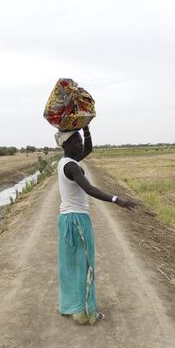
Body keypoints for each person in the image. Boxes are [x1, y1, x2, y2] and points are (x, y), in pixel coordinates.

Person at [55, 125, 137, 325]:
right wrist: (117, 199)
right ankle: (83, 312)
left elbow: (88, 149)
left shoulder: (65, 161)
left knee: (71, 266)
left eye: (80, 140)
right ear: (66, 144)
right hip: (77, 220)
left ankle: (70, 307)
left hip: (67, 219)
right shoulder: (72, 166)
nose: (80, 143)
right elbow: (89, 189)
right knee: (84, 265)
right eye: (76, 140)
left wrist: (86, 130)